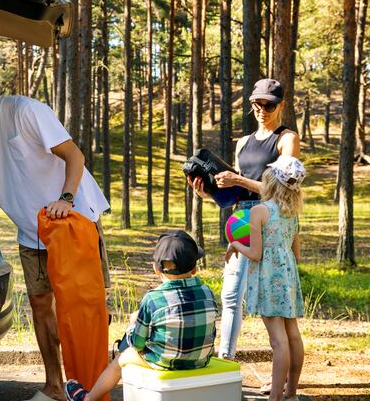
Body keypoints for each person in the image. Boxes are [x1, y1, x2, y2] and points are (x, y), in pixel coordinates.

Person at [0, 68, 111, 401]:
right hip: (32, 234)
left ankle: (92, 387)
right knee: (42, 309)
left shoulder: (24, 111)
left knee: (82, 311)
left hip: (73, 222)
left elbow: (75, 155)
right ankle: (55, 386)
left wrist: (66, 199)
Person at [188, 78, 301, 364]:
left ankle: (284, 381)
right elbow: (236, 192)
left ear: (281, 105)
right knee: (231, 294)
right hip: (241, 218)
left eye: (269, 105)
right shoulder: (243, 143)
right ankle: (226, 359)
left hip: (271, 218)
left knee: (276, 310)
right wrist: (208, 193)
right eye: (257, 104)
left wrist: (238, 179)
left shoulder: (286, 139)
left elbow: (284, 191)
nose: (262, 110)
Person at [63, 230, 217, 401]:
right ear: (195, 268)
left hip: (165, 364)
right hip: (200, 361)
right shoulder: (207, 292)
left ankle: (88, 398)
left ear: (156, 269)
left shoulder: (152, 299)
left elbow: (137, 344)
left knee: (122, 358)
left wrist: (132, 324)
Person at [225, 155, 306, 401]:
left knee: (278, 341)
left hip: (269, 281)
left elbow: (256, 254)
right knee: (292, 334)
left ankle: (275, 398)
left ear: (271, 180)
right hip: (289, 279)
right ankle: (290, 391)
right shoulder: (292, 213)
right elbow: (297, 255)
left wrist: (235, 244)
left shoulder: (259, 211)